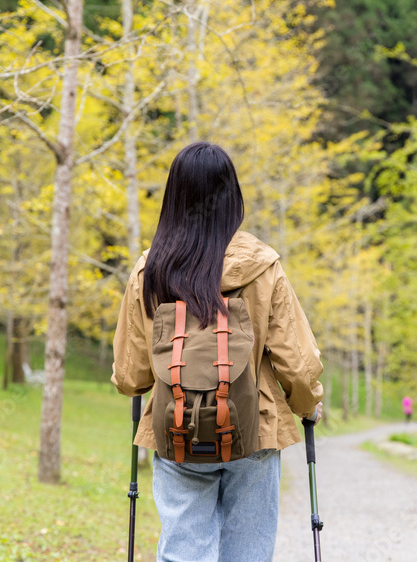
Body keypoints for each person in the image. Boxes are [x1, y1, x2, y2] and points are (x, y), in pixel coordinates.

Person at [111, 142, 324, 562]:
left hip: (177, 431)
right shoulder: (264, 266)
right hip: (253, 430)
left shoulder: (149, 270)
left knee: (183, 552)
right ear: (232, 197)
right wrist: (308, 404)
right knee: (248, 553)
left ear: (174, 198)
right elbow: (296, 365)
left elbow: (131, 376)